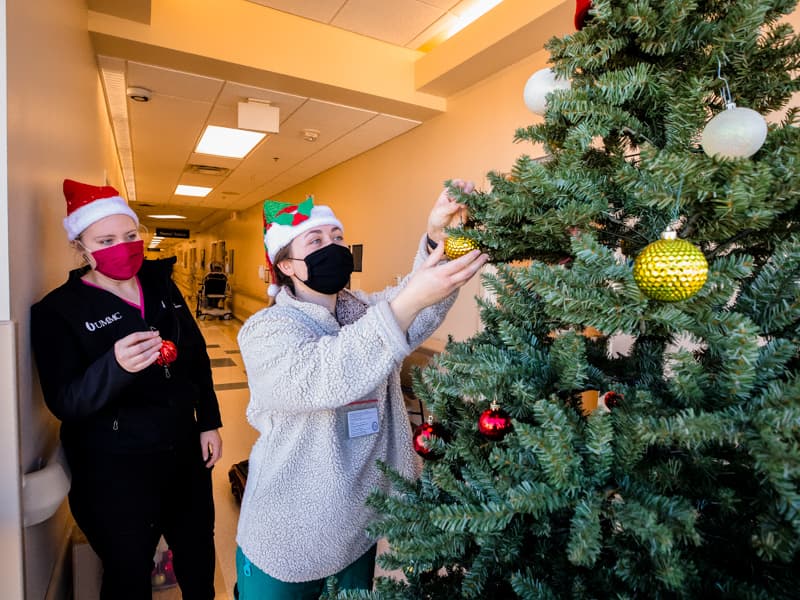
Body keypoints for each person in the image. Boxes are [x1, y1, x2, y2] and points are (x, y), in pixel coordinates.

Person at [235, 182, 489, 598]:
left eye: (337, 237)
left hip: (358, 524)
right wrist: (405, 303)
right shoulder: (265, 331)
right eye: (314, 240)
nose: (332, 247)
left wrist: (436, 238)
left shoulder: (363, 311)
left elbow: (417, 312)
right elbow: (321, 375)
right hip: (289, 535)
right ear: (287, 266)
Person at [30, 179, 223, 600]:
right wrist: (114, 367)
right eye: (106, 239)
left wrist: (208, 422)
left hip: (184, 455)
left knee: (197, 553)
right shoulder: (57, 312)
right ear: (81, 245)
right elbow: (66, 401)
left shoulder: (161, 286)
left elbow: (195, 355)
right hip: (115, 469)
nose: (123, 246)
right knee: (127, 571)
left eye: (131, 235)